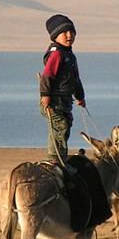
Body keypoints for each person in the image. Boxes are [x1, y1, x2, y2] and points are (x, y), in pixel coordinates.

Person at [39, 14, 85, 164]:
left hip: (65, 100)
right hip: (54, 100)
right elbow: (48, 75)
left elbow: (75, 79)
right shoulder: (56, 54)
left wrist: (80, 96)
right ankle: (55, 160)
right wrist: (45, 94)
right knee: (60, 127)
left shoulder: (70, 56)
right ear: (55, 37)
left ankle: (61, 157)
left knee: (66, 125)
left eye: (71, 32)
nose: (69, 35)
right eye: (64, 33)